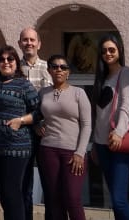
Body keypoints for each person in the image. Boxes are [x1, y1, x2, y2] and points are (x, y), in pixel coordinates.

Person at [0, 44, 42, 220]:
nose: (6, 62)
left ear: (16, 63)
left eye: (10, 59)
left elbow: (39, 111)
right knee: (4, 194)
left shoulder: (24, 85)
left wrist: (21, 120)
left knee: (13, 193)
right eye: (1, 59)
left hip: (18, 146)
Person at [90, 35, 129, 220]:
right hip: (102, 145)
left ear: (119, 51)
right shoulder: (101, 78)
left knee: (119, 199)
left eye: (111, 50)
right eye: (104, 51)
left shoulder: (125, 73)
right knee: (115, 198)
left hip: (119, 143)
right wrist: (95, 143)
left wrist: (119, 132)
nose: (107, 54)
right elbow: (99, 115)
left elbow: (127, 105)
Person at [37, 55, 91, 220]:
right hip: (48, 150)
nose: (59, 70)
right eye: (55, 66)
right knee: (54, 199)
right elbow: (37, 116)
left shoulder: (78, 93)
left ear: (68, 72)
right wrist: (37, 126)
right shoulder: (43, 93)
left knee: (72, 198)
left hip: (73, 153)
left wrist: (80, 152)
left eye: (63, 67)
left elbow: (87, 124)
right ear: (49, 71)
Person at [18, 28, 51, 220]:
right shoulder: (15, 69)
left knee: (49, 183)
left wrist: (40, 123)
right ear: (20, 43)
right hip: (21, 134)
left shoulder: (49, 68)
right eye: (25, 40)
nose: (28, 43)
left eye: (32, 40)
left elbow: (52, 101)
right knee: (24, 184)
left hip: (44, 132)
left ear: (39, 43)